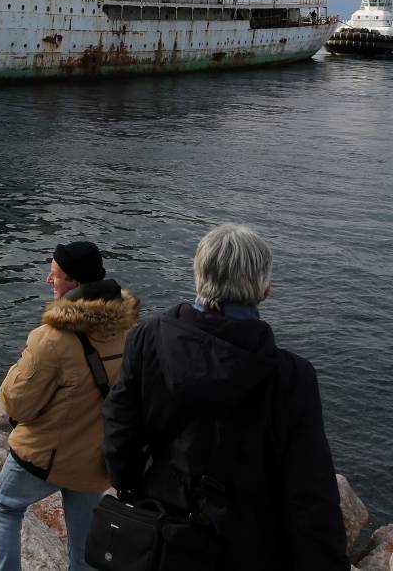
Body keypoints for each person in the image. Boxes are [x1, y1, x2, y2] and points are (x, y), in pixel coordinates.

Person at [102, 224, 347, 570]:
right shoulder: (292, 377)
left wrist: (131, 487)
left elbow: (119, 429)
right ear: (265, 290)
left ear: (199, 276)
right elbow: (310, 493)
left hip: (159, 535)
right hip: (246, 547)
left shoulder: (147, 339)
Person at [0, 242, 139, 571]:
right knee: (82, 541)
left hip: (45, 457)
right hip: (94, 461)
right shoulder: (129, 331)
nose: (48, 280)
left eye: (55, 275)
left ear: (74, 284)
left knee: (4, 506)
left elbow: (15, 402)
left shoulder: (51, 338)